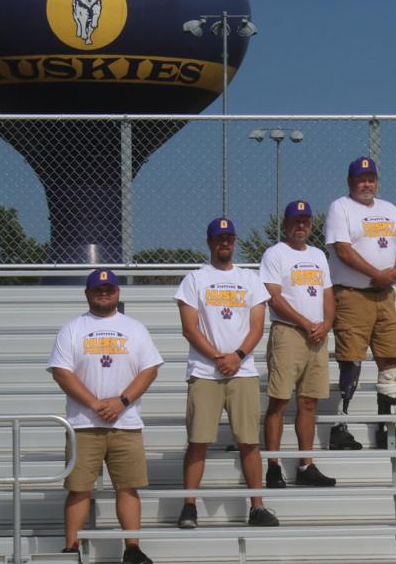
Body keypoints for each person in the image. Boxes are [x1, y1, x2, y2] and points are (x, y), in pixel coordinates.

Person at [48, 269, 163, 563]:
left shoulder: (135, 328)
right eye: (98, 289)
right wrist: (95, 403)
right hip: (84, 424)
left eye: (109, 288)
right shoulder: (72, 329)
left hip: (125, 423)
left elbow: (150, 369)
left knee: (128, 487)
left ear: (118, 292)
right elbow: (62, 372)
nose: (104, 292)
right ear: (87, 293)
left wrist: (122, 401)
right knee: (78, 489)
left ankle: (132, 548)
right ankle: (71, 549)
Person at [173, 218, 278, 529]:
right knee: (198, 440)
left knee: (249, 441)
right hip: (206, 372)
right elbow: (189, 329)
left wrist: (238, 356)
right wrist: (220, 358)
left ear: (235, 241)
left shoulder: (250, 279)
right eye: (219, 238)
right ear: (209, 242)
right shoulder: (194, 279)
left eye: (229, 237)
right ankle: (189, 505)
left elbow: (258, 326)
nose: (225, 242)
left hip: (242, 371)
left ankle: (257, 505)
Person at [325, 156, 396, 449]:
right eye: (361, 179)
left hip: (384, 293)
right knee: (351, 357)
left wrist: (394, 273)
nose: (367, 183)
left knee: (389, 355)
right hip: (353, 293)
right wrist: (375, 273)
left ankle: (387, 426)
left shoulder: (389, 208)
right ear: (350, 181)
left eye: (371, 178)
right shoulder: (341, 207)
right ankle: (341, 424)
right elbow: (342, 249)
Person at [260, 200, 339, 487]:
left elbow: (328, 294)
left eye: (305, 220)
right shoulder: (274, 254)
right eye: (295, 220)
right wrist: (306, 323)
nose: (301, 225)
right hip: (290, 332)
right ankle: (273, 465)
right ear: (286, 224)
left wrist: (326, 324)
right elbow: (274, 296)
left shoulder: (318, 255)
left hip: (317, 335)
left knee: (308, 402)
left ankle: (306, 464)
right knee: (279, 401)